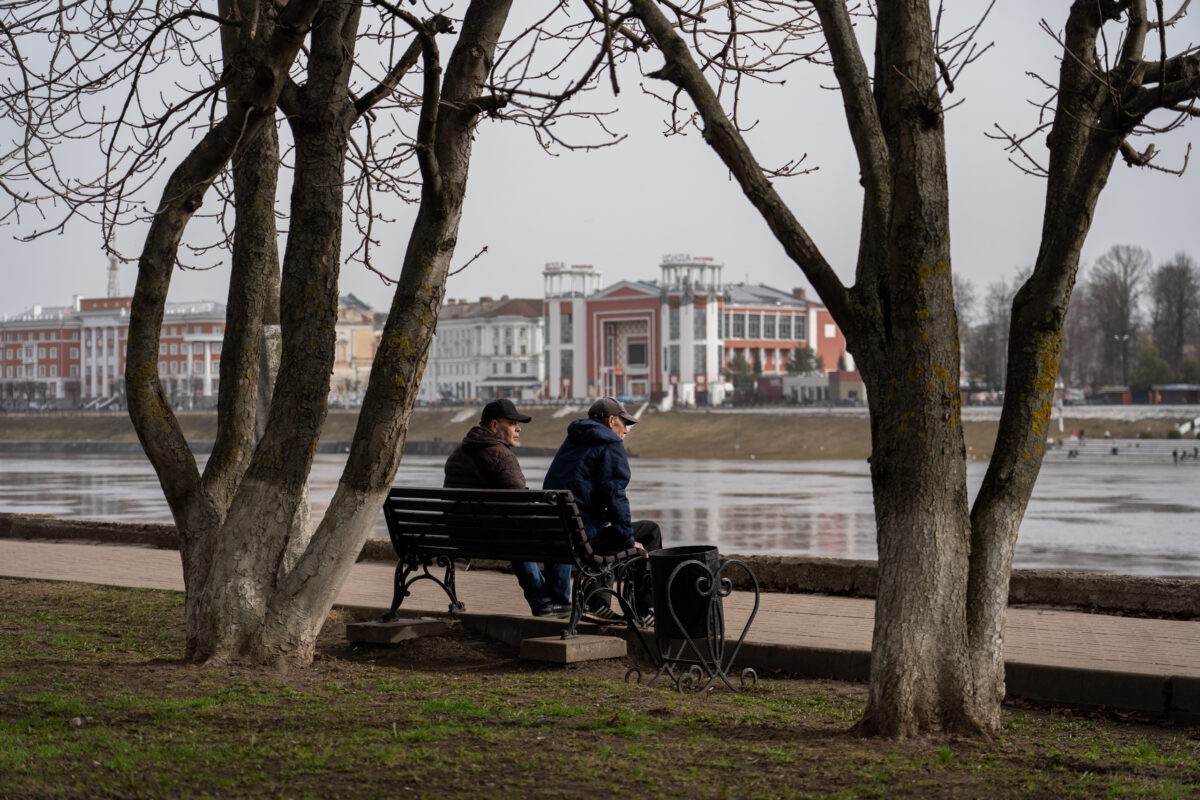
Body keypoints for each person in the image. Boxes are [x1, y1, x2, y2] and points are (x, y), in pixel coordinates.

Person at [444, 398, 572, 618]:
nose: (518, 428)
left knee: (512, 529)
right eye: (513, 423)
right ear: (494, 425)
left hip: (461, 535)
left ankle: (543, 599)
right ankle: (554, 600)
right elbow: (521, 504)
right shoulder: (499, 454)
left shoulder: (459, 452)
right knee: (559, 530)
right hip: (494, 537)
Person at [542, 396, 662, 625]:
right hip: (584, 537)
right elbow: (615, 498)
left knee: (608, 527)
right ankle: (642, 610)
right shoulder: (610, 444)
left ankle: (597, 603)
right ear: (611, 420)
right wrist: (628, 540)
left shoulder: (572, 442)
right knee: (649, 532)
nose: (626, 430)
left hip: (559, 533)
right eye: (624, 423)